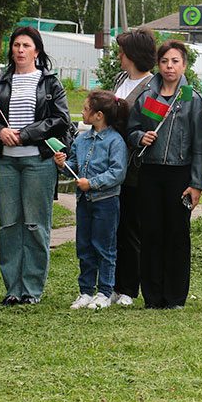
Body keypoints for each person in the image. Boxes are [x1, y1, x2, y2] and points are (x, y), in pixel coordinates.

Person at [0, 26, 70, 306]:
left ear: (36, 51)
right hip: (6, 162)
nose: (20, 50)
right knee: (8, 225)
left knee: (35, 225)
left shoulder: (50, 84)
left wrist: (27, 134)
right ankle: (13, 289)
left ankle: (31, 289)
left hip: (38, 161)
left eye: (26, 45)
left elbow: (60, 119)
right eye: (16, 45)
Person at [128, 40, 202, 309]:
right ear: (158, 64)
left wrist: (197, 183)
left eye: (175, 61)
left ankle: (175, 297)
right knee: (150, 233)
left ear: (184, 65)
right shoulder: (147, 97)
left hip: (180, 174)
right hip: (150, 173)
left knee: (177, 235)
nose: (169, 67)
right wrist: (140, 137)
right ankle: (152, 296)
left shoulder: (192, 99)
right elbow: (131, 130)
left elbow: (201, 146)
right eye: (164, 61)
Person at [55, 91, 129, 310]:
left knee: (104, 247)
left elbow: (117, 173)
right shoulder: (81, 139)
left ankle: (104, 292)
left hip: (106, 202)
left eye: (86, 109)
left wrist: (93, 183)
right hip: (84, 202)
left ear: (99, 115)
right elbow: (74, 166)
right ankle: (86, 292)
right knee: (84, 246)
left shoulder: (115, 141)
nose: (83, 112)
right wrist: (62, 164)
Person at [110, 28, 157, 308]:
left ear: (134, 55)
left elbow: (147, 126)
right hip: (113, 163)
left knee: (131, 228)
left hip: (135, 167)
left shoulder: (151, 87)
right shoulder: (120, 80)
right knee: (115, 228)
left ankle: (129, 287)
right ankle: (115, 283)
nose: (119, 56)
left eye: (123, 52)